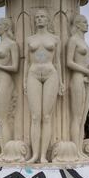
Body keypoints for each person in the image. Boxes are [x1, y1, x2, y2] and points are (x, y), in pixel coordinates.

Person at [24, 9, 64, 163]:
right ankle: (35, 155)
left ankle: (42, 155)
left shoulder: (55, 38)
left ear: (48, 20)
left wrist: (60, 81)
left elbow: (57, 61)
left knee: (46, 117)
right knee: (35, 116)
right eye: (37, 17)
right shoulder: (30, 39)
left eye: (42, 17)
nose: (39, 19)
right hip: (33, 73)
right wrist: (23, 81)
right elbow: (26, 62)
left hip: (51, 74)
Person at [66, 14, 89, 158]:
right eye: (84, 22)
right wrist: (86, 71)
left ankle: (79, 148)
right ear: (77, 24)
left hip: (86, 80)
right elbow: (69, 62)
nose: (87, 24)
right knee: (76, 117)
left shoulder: (84, 42)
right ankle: (75, 150)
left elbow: (83, 61)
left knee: (83, 118)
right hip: (77, 78)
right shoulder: (73, 40)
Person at [0, 18, 19, 149]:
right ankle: (3, 149)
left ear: (6, 27)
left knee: (4, 117)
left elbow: (15, 67)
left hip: (5, 79)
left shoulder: (11, 44)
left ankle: (8, 150)